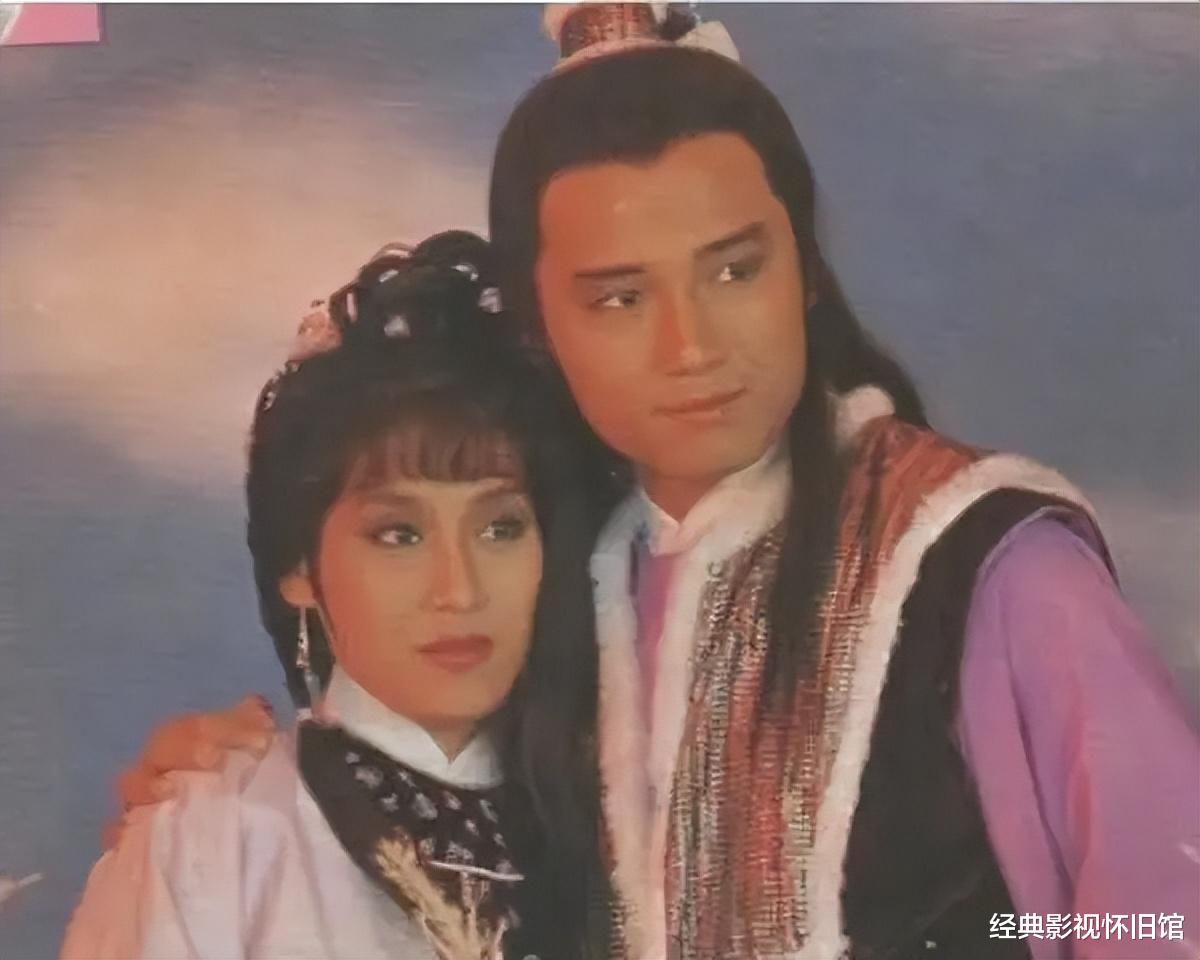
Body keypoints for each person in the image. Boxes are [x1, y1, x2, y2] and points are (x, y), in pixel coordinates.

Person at [108, 7, 1200, 959]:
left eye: (735, 269)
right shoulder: (563, 571)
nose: (692, 346)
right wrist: (204, 802)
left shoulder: (984, 561)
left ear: (805, 270)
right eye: (620, 299)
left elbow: (1160, 917)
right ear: (540, 326)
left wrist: (996, 935)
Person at [62, 232, 604, 960]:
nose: (459, 588)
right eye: (398, 535)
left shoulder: (617, 830)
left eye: (499, 527)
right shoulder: (217, 839)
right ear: (299, 566)